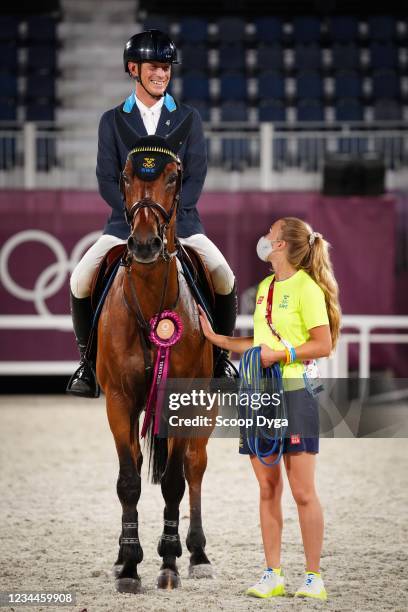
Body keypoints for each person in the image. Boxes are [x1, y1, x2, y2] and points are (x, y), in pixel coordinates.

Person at [67, 30, 236, 397]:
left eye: (166, 68)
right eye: (154, 67)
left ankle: (221, 360)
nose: (161, 73)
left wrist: (173, 219)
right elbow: (105, 177)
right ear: (134, 69)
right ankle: (87, 364)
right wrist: (133, 219)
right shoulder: (112, 120)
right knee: (80, 280)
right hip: (124, 224)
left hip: (182, 223)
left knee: (225, 277)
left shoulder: (187, 118)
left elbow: (196, 174)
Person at [198, 216, 341, 601]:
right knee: (267, 487)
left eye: (270, 234)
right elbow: (259, 346)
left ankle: (314, 577)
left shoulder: (307, 288)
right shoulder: (264, 288)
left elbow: (323, 344)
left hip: (295, 393)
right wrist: (218, 339)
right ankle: (272, 573)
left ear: (281, 245)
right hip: (259, 395)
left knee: (302, 491)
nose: (264, 237)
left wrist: (283, 353)